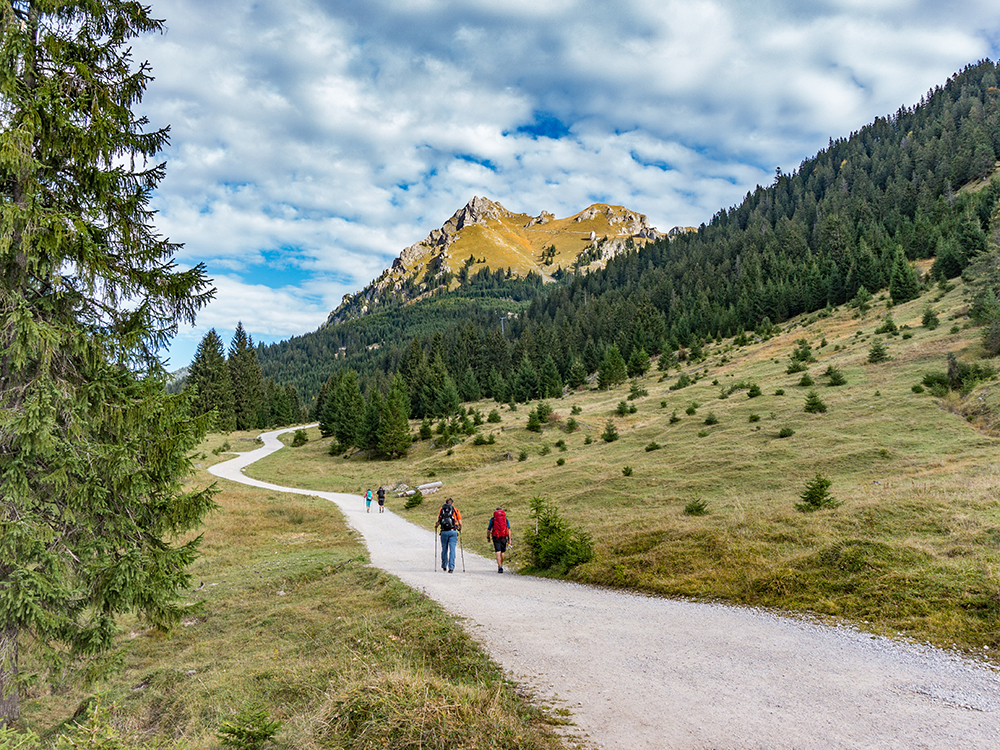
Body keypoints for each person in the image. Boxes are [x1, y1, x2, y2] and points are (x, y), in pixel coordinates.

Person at [434, 497, 462, 573]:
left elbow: (439, 520)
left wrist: (436, 526)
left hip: (444, 532)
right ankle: (451, 567)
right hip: (453, 531)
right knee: (452, 549)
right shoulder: (455, 510)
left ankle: (444, 565)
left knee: (444, 549)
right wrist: (459, 528)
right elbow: (460, 523)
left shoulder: (441, 509)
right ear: (452, 503)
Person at [487, 506, 511, 573]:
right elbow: (508, 529)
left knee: (498, 551)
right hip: (503, 537)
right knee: (502, 552)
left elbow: (489, 530)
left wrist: (488, 537)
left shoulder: (493, 519)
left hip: (496, 537)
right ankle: (501, 564)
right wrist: (509, 539)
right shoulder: (505, 519)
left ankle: (499, 566)